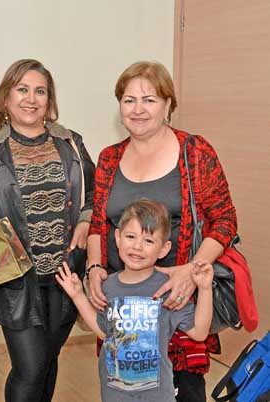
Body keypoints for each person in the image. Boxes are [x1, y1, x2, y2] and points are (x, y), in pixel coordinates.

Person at [86, 61, 237, 402]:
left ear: (168, 104)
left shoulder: (194, 152)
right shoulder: (110, 158)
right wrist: (94, 268)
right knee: (127, 387)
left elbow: (225, 219)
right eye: (129, 100)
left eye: (149, 99)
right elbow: (98, 222)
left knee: (183, 390)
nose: (138, 109)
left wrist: (191, 269)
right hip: (125, 304)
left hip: (176, 298)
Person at [0, 59, 95, 402]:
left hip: (65, 275)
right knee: (31, 367)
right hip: (14, 280)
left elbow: (95, 195)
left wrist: (85, 219)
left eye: (40, 91)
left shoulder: (71, 144)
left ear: (49, 100)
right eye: (22, 89)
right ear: (5, 98)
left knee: (48, 361)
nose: (31, 98)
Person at [56, 199, 214, 402]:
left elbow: (199, 332)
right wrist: (78, 296)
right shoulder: (109, 286)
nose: (137, 246)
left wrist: (205, 288)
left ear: (164, 249)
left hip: (158, 396)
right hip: (115, 394)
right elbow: (106, 332)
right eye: (131, 236)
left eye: (148, 241)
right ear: (118, 238)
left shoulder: (167, 288)